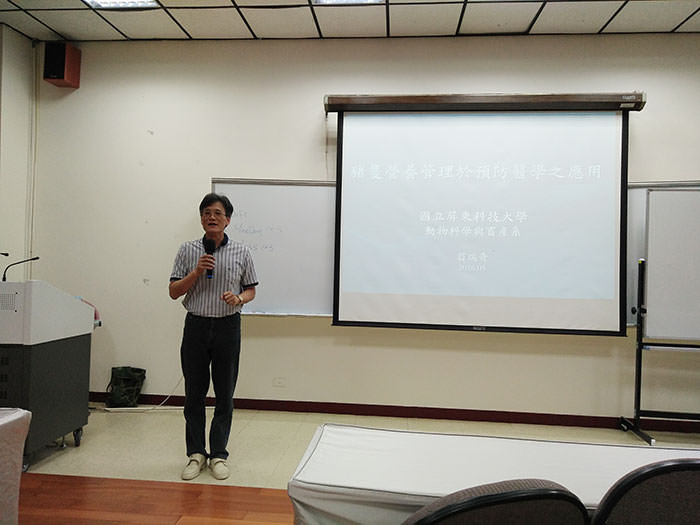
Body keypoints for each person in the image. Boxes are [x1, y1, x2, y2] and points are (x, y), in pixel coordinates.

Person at [169, 193, 258, 481]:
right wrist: (197, 271)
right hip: (195, 326)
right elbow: (173, 291)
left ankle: (218, 454)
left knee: (224, 393)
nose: (212, 217)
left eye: (218, 213)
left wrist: (239, 298)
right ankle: (196, 454)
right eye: (207, 212)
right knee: (194, 394)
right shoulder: (188, 250)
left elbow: (251, 290)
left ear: (227, 219)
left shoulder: (242, 251)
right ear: (201, 218)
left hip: (227, 327)